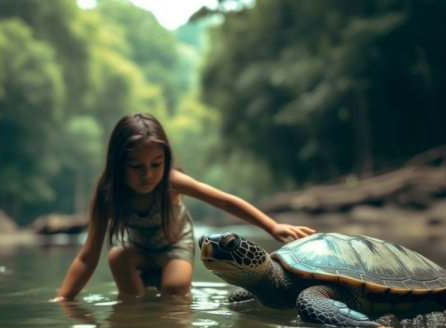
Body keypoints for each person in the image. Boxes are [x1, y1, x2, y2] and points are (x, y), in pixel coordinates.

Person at [54, 113, 315, 301]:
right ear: (117, 164)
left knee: (175, 294)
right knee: (117, 259)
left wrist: (272, 226)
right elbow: (87, 257)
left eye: (156, 164)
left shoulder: (172, 182)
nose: (148, 174)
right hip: (137, 250)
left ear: (166, 160)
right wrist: (63, 300)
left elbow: (224, 200)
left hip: (174, 247)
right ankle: (134, 313)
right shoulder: (108, 196)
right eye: (136, 166)